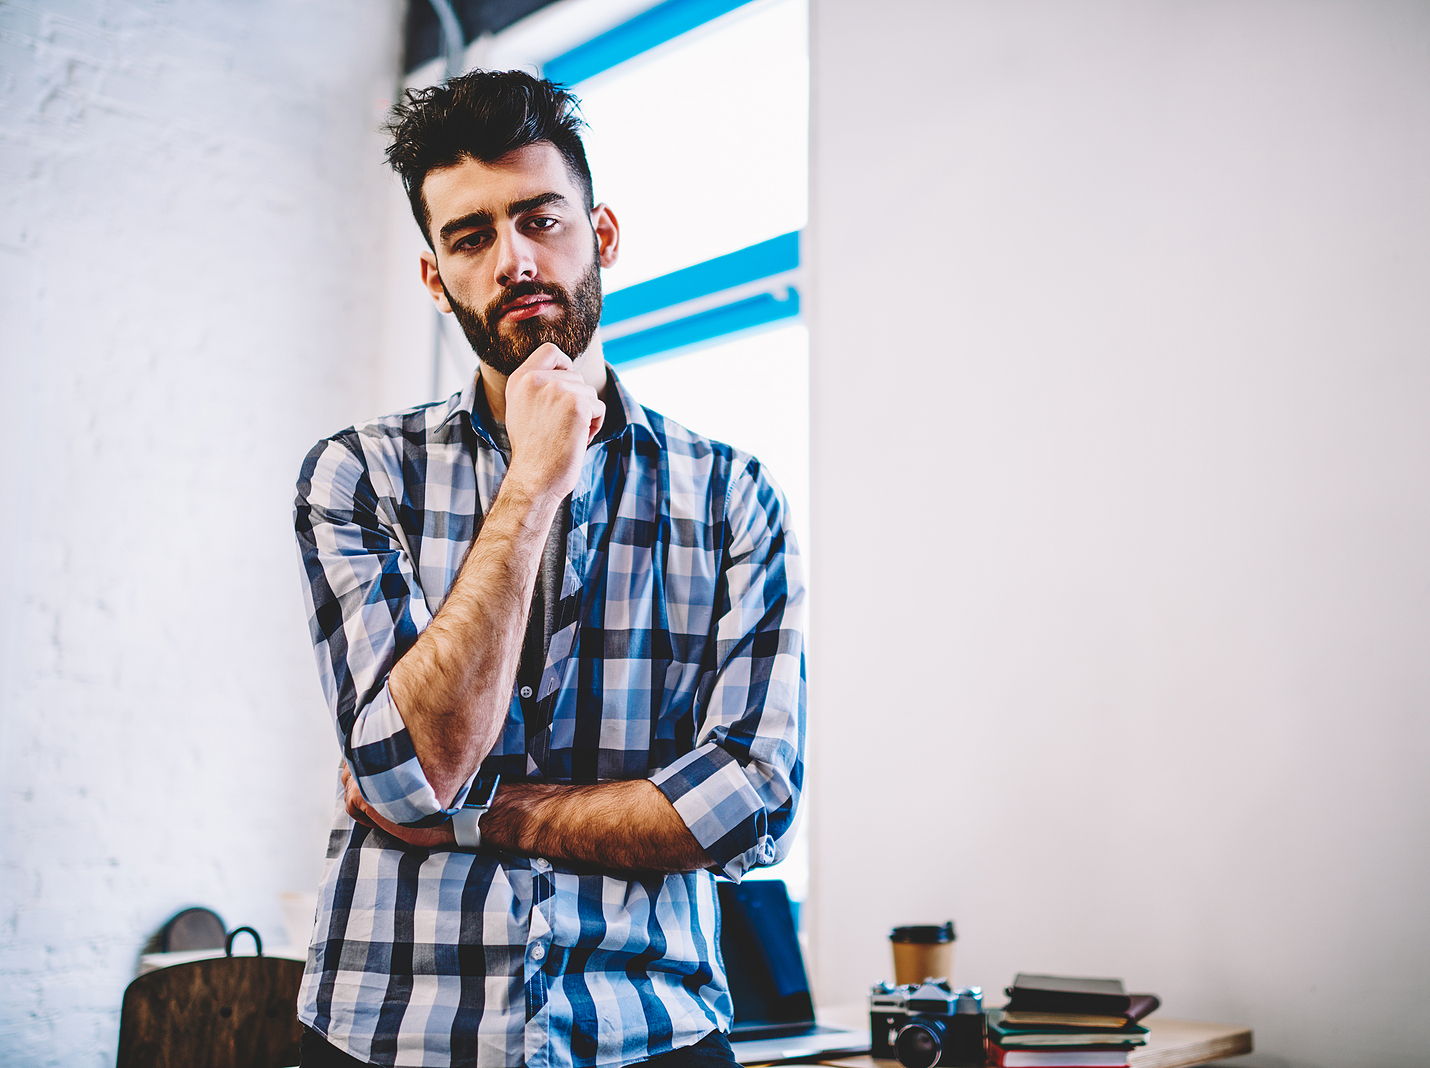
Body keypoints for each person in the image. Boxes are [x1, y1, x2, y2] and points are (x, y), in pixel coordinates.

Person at [292, 69, 806, 1068]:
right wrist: (530, 484)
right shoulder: (355, 474)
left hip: (653, 1030)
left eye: (540, 219)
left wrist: (496, 815)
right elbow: (406, 781)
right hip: (391, 1031)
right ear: (435, 276)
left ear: (600, 235)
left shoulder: (733, 494)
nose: (514, 260)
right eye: (471, 236)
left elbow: (752, 803)